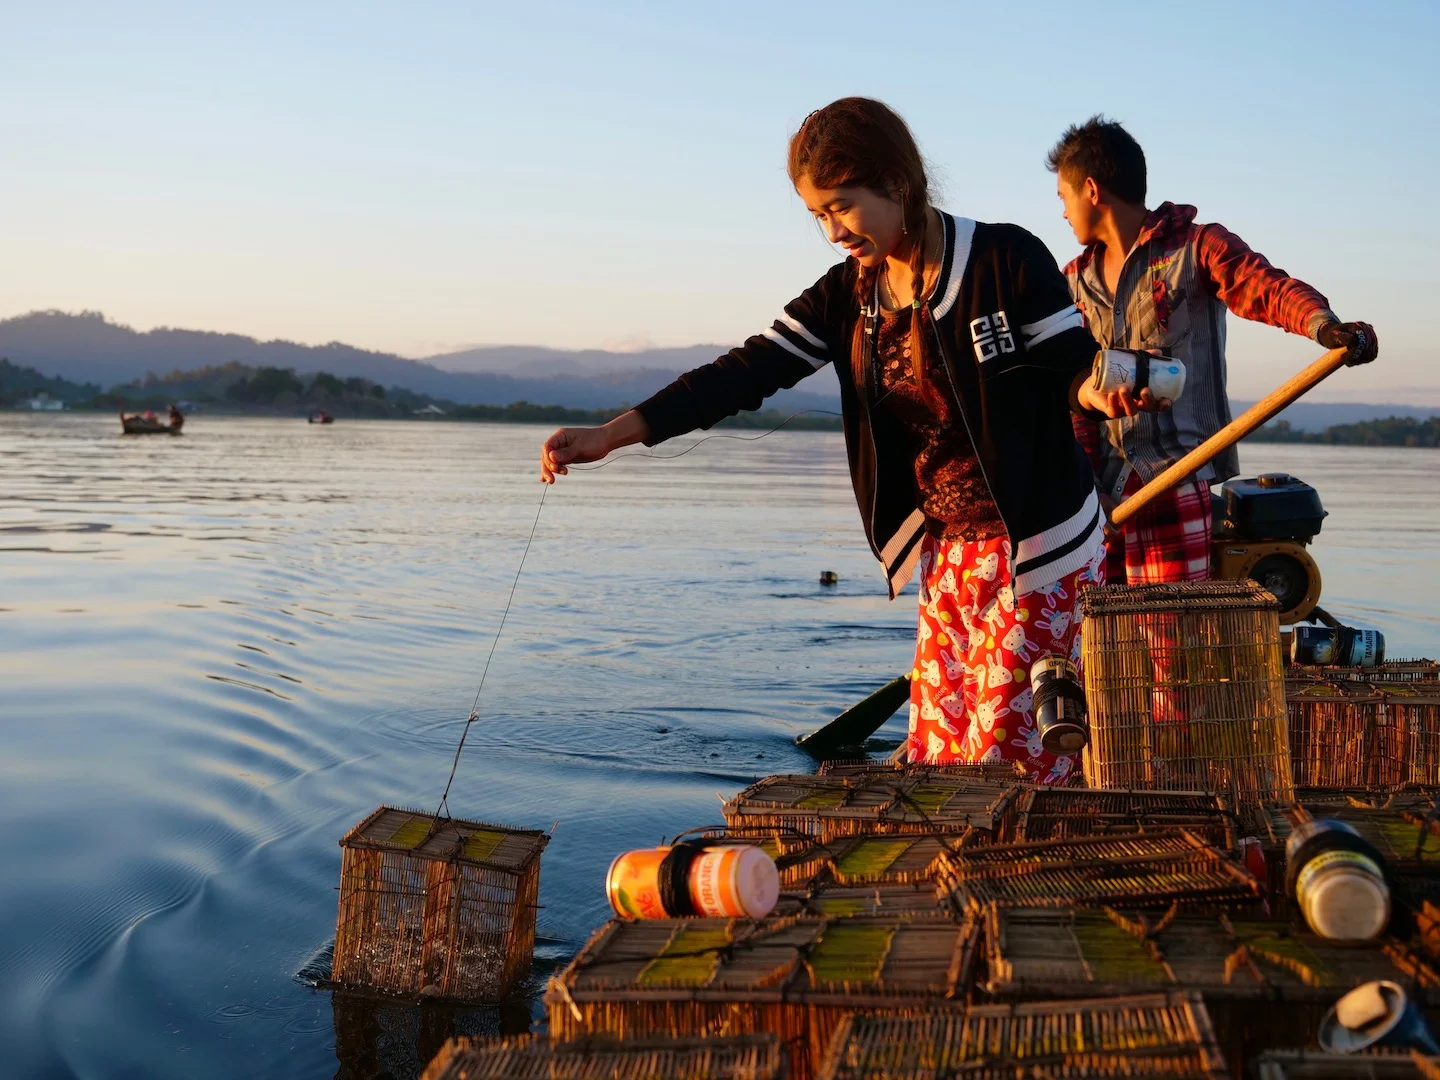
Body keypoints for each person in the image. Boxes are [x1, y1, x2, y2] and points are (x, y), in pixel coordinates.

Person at [539, 98, 1110, 780]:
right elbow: (744, 372)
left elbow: (1072, 368)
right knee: (937, 756)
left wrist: (1101, 390)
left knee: (1006, 762)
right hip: (947, 558)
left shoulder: (1004, 259)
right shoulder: (849, 297)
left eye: (842, 205)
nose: (832, 229)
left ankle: (1026, 876)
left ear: (897, 183)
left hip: (1037, 554)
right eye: (818, 215)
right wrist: (611, 435)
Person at [1048, 116, 1377, 584]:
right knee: (1102, 651)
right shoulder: (1071, 284)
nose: (1062, 211)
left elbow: (1265, 286)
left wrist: (1324, 327)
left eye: (1064, 197)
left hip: (1175, 484)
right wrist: (1085, 488)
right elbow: (1069, 389)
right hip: (1101, 501)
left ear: (1092, 190)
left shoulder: (1196, 247)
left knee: (1171, 650)